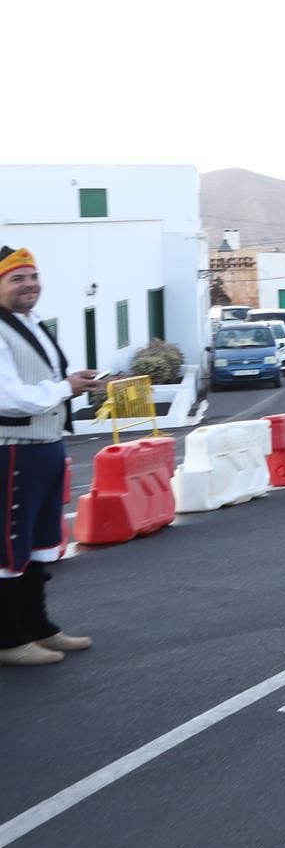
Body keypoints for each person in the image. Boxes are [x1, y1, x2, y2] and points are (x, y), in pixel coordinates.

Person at [0, 247, 104, 666]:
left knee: (41, 542)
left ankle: (38, 627)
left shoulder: (30, 322)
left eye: (33, 276)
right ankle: (9, 640)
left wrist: (73, 382)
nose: (29, 285)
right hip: (13, 449)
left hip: (45, 446)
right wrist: (67, 387)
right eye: (16, 279)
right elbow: (8, 397)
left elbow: (40, 379)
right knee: (9, 546)